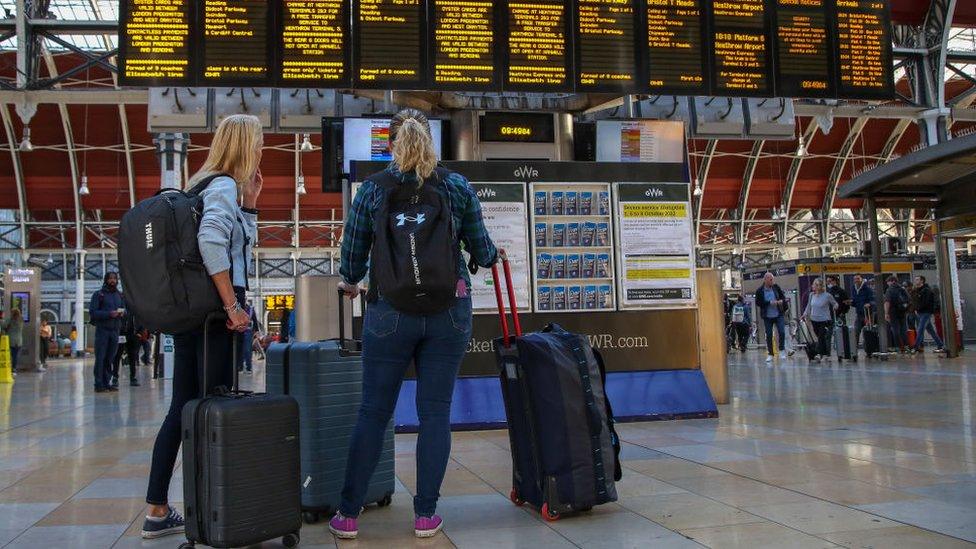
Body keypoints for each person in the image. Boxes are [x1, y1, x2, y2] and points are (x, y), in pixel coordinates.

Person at [329, 108, 497, 540]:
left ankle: (348, 515)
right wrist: (488, 257)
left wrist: (352, 281)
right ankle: (426, 515)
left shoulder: (372, 190)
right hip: (449, 313)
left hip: (389, 313)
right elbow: (482, 248)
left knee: (373, 412)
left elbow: (350, 259)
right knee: (435, 413)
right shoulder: (456, 186)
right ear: (431, 142)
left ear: (390, 144)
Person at [142, 114, 263, 540]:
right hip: (215, 315)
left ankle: (159, 507)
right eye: (259, 142)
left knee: (184, 408)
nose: (262, 149)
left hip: (193, 311)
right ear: (246, 146)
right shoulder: (223, 185)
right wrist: (232, 305)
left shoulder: (200, 184)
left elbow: (233, 240)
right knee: (212, 408)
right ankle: (213, 508)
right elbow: (213, 241)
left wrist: (250, 206)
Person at [90, 272, 125, 393]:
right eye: (110, 279)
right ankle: (99, 383)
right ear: (106, 280)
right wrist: (109, 314)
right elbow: (93, 312)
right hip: (103, 331)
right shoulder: (99, 295)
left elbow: (125, 310)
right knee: (101, 357)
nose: (113, 281)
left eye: (115, 278)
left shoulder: (119, 295)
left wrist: (122, 313)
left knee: (110, 357)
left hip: (115, 330)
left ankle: (107, 382)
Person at [754, 272, 790, 363]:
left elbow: (782, 297)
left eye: (772, 279)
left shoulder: (776, 287)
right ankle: (770, 353)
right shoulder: (759, 291)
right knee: (769, 334)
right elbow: (758, 303)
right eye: (770, 279)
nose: (772, 281)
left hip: (778, 314)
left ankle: (781, 350)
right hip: (767, 316)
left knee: (781, 332)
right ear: (765, 280)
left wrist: (781, 301)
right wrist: (769, 302)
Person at [802, 278, 839, 361]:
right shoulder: (811, 295)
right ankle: (826, 354)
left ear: (819, 286)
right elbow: (809, 306)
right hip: (814, 320)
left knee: (821, 336)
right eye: (813, 284)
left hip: (824, 320)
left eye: (815, 284)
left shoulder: (827, 295)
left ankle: (819, 353)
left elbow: (835, 303)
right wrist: (804, 314)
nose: (813, 286)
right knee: (819, 336)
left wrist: (835, 307)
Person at [912, 275, 945, 353]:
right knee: (931, 330)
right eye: (915, 279)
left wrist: (917, 308)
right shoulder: (918, 290)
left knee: (920, 329)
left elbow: (925, 302)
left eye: (917, 280)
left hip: (926, 312)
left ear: (922, 281)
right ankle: (940, 345)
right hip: (921, 312)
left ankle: (916, 347)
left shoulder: (926, 290)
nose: (915, 281)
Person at [111, 308, 141, 387]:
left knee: (132, 357)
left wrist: (139, 332)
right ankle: (115, 377)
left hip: (133, 334)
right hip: (121, 333)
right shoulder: (120, 302)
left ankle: (133, 377)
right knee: (117, 356)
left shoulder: (134, 305)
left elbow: (140, 317)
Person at [884, 275, 911, 352]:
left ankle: (898, 347)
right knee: (903, 329)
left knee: (895, 330)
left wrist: (886, 313)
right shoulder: (902, 288)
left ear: (892, 281)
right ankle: (906, 346)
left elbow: (887, 302)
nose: (888, 284)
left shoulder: (890, 290)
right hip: (902, 311)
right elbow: (909, 300)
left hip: (893, 312)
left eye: (888, 282)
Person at [850, 274, 874, 347]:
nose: (856, 281)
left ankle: (869, 347)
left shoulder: (867, 289)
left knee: (868, 331)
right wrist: (851, 303)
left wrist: (869, 304)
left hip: (868, 314)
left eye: (858, 279)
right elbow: (855, 302)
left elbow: (873, 300)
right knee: (856, 330)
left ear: (862, 279)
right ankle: (854, 347)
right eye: (855, 279)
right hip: (859, 313)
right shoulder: (854, 289)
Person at [237, 301, 259, 374]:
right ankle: (240, 367)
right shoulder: (238, 308)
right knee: (240, 349)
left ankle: (248, 367)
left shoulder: (251, 309)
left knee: (247, 350)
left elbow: (255, 321)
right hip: (239, 331)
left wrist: (256, 331)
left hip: (248, 332)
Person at [2, 308, 24, 373]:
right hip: (19, 341)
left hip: (10, 340)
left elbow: (3, 326)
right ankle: (14, 368)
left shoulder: (10, 320)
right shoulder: (21, 320)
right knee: (15, 356)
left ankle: (9, 368)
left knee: (9, 355)